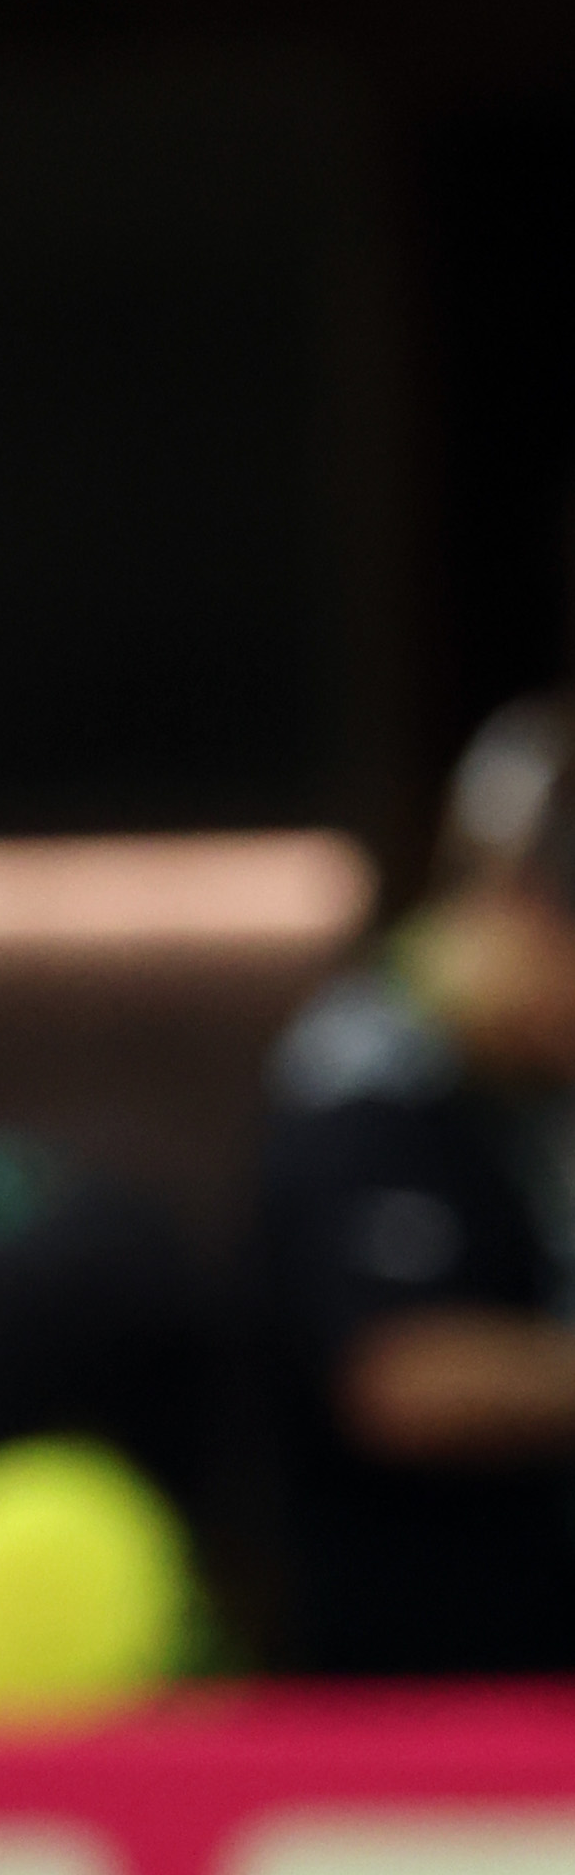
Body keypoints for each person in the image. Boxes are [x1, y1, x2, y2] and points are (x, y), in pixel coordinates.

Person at [258, 695, 575, 1676]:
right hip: (396, 1697)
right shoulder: (365, 1078)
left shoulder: (537, 1092)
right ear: (505, 907)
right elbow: (403, 1381)